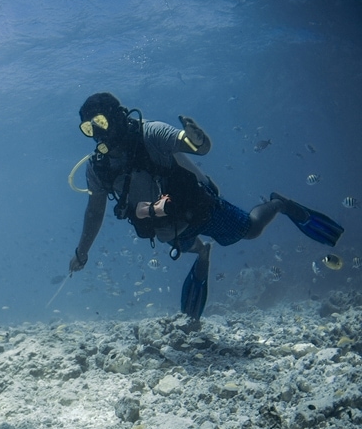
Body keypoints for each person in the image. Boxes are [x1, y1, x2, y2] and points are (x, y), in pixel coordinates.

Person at [68, 92, 344, 321]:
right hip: (166, 227)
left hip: (201, 207)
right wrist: (82, 253)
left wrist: (198, 138)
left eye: (100, 122)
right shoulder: (98, 167)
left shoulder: (150, 133)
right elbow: (95, 211)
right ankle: (204, 254)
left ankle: (279, 204)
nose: (97, 134)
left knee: (251, 230)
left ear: (117, 116)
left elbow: (196, 147)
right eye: (89, 128)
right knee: (192, 247)